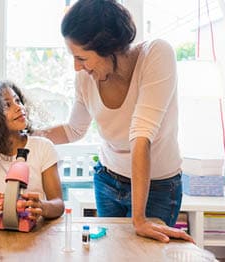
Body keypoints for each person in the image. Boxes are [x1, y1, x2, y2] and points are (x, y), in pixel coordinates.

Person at [34, 0, 193, 243]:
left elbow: (141, 137)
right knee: (110, 251)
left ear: (108, 47)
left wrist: (139, 220)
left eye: (81, 58)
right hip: (108, 178)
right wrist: (26, 135)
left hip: (157, 187)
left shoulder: (157, 55)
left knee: (143, 255)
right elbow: (74, 130)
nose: (77, 67)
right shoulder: (86, 79)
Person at [0, 80, 64, 222]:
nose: (19, 107)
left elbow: (58, 204)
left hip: (33, 236)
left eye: (17, 101)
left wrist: (41, 207)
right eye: (7, 105)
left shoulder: (43, 148)